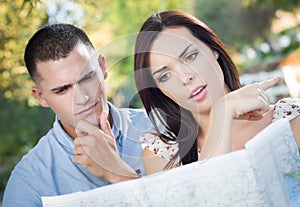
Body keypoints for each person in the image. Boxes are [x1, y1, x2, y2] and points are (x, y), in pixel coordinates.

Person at [2, 23, 152, 207]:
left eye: (87, 77)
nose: (83, 98)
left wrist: (117, 173)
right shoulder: (29, 182)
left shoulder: (163, 126)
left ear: (102, 67)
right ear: (41, 97)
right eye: (62, 90)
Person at [133, 10, 300, 174]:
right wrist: (222, 113)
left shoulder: (289, 119)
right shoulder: (163, 156)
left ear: (213, 49)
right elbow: (212, 196)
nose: (185, 77)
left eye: (190, 57)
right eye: (165, 76)